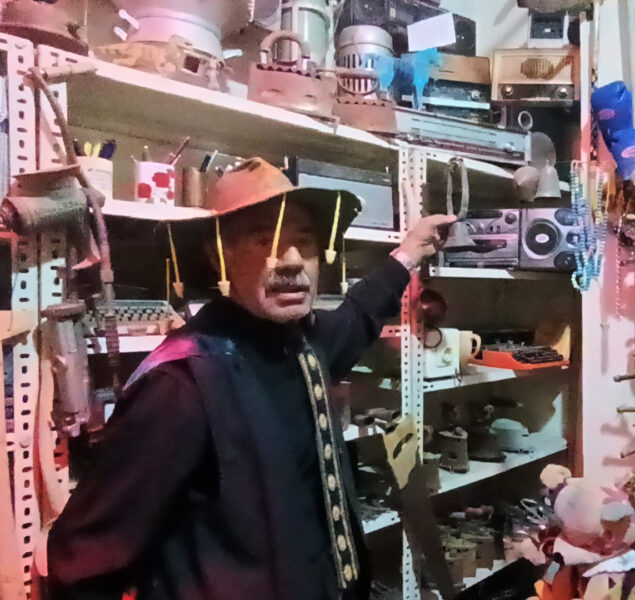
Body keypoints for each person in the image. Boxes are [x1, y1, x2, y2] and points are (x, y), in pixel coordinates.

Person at [47, 158, 456, 600]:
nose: (292, 260)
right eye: (265, 240)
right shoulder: (182, 383)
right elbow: (84, 565)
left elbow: (357, 316)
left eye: (305, 241)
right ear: (217, 255)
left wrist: (409, 252)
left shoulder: (304, 342)